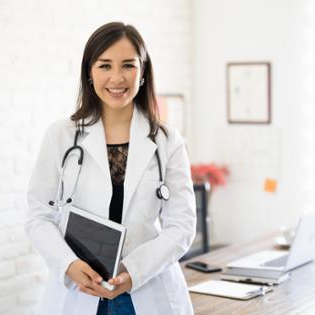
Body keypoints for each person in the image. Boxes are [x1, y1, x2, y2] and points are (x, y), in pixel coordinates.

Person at [26, 22, 197, 315]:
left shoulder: (167, 140)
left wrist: (134, 272)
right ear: (89, 73)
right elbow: (39, 217)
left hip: (146, 290)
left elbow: (181, 226)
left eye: (128, 66)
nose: (116, 78)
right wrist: (69, 265)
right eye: (105, 65)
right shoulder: (61, 136)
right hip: (80, 291)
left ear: (142, 73)